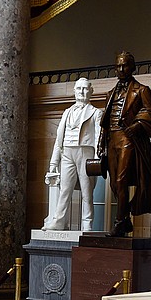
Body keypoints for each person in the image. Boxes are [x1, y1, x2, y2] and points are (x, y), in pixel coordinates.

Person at [98, 51, 151, 237]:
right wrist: (101, 143)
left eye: (125, 65)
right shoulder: (111, 93)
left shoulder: (141, 90)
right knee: (114, 184)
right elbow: (105, 120)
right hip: (112, 139)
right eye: (118, 66)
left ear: (132, 67)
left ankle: (119, 222)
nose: (121, 69)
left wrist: (137, 126)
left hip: (128, 138)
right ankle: (125, 219)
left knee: (122, 181)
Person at [43, 78, 102, 232]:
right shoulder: (67, 112)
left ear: (91, 91)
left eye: (85, 88)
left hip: (86, 152)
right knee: (65, 190)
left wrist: (97, 158)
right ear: (74, 91)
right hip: (67, 152)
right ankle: (59, 221)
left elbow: (98, 138)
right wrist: (53, 163)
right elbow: (59, 139)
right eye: (79, 89)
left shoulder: (96, 113)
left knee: (87, 190)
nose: (82, 91)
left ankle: (87, 223)